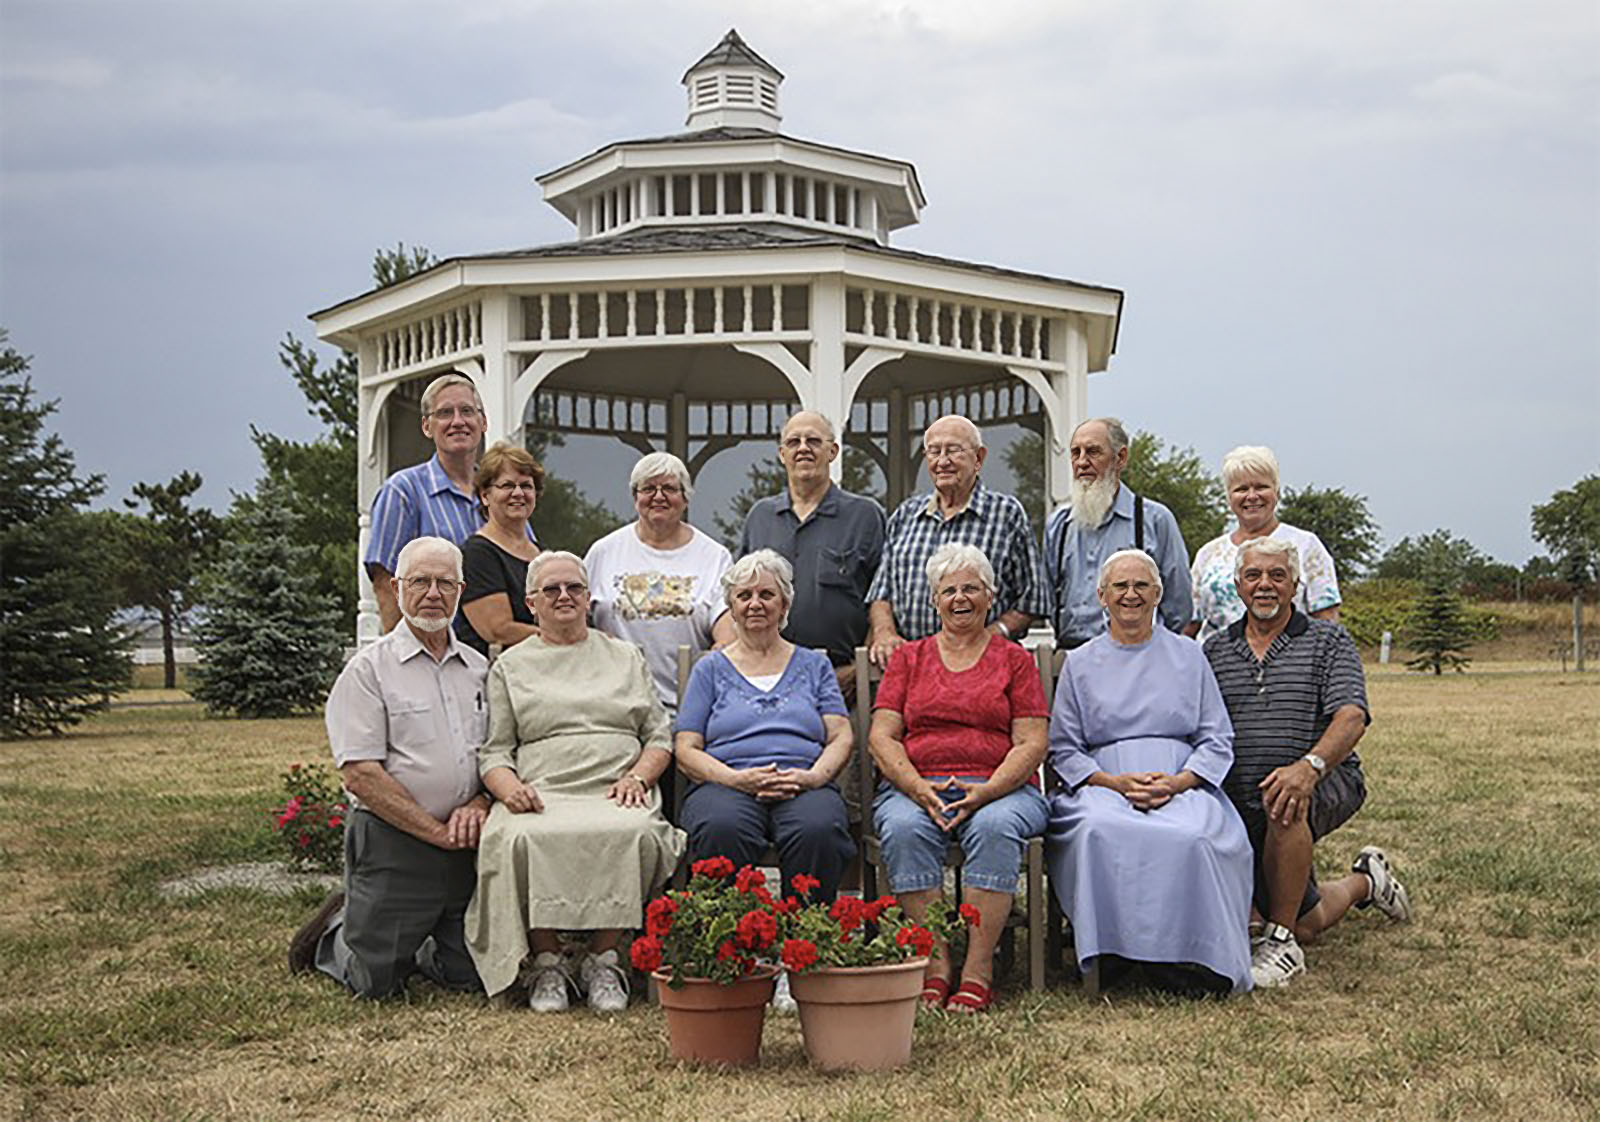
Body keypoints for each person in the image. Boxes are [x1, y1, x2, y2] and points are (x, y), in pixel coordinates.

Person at [465, 551, 685, 1011]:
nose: (564, 596)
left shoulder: (625, 656)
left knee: (637, 833)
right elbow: (496, 749)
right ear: (531, 603)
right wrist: (508, 789)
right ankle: (547, 962)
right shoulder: (511, 666)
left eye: (575, 588)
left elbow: (658, 736)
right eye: (552, 590)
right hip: (541, 792)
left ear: (589, 599)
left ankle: (603, 958)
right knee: (516, 838)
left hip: (615, 787)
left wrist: (639, 777)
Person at [1203, 537, 1411, 989]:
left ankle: (1280, 944)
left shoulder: (1329, 640)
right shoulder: (1215, 651)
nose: (1265, 586)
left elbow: (1352, 715)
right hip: (1240, 796)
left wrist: (1310, 767)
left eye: (1277, 576)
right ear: (1237, 585)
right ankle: (1366, 883)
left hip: (1323, 779)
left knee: (1285, 801)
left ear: (1295, 584)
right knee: (1310, 921)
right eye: (1254, 576)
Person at [287, 536, 490, 998]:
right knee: (374, 983)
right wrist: (434, 833)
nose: (433, 594)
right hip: (395, 838)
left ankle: (419, 935)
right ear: (397, 588)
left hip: (467, 843)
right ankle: (339, 927)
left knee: (471, 978)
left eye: (445, 583)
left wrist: (478, 803)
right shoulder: (368, 671)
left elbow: (496, 754)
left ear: (461, 590)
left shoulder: (479, 669)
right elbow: (360, 774)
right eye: (420, 582)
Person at [1045, 549, 1254, 994]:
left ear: (1158, 593)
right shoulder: (1080, 662)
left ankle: (1194, 958)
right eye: (1120, 586)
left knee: (1196, 835)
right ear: (1102, 596)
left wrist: (1180, 782)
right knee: (1096, 830)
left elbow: (1216, 738)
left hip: (1179, 782)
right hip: (1103, 784)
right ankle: (1112, 953)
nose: (1131, 595)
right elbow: (1064, 746)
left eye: (1141, 585)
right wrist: (1112, 782)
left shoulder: (1190, 655)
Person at [868, 543, 1050, 1012]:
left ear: (990, 597)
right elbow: (883, 737)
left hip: (1001, 789)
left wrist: (987, 791)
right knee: (905, 826)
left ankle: (978, 968)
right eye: (949, 590)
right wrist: (916, 788)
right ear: (934, 601)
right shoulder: (910, 658)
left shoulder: (1013, 660)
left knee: (993, 826)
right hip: (918, 785)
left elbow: (1031, 742)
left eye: (971, 588)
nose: (960, 598)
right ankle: (934, 964)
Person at [674, 550, 857, 904]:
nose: (755, 604)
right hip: (725, 784)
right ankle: (732, 945)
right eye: (744, 596)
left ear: (785, 604)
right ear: (731, 606)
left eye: (766, 594)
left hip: (802, 782)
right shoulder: (709, 670)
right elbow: (686, 748)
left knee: (819, 830)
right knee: (720, 828)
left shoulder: (814, 666)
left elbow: (840, 735)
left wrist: (814, 778)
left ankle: (805, 944)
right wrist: (734, 779)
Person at [866, 415, 1046, 668]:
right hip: (911, 668)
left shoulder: (1006, 514)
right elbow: (881, 593)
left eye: (953, 450)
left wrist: (989, 638)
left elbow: (1033, 600)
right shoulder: (905, 515)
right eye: (933, 451)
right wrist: (885, 633)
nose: (942, 461)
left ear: (979, 458)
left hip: (982, 667)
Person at [738, 410, 885, 703]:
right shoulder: (760, 517)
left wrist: (859, 670)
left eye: (813, 441)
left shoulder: (865, 515)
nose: (803, 447)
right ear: (782, 454)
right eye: (794, 442)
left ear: (833, 451)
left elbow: (882, 600)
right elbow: (738, 599)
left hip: (844, 683)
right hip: (766, 682)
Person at [584, 451, 734, 712]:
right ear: (635, 497)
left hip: (690, 706)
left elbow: (728, 635)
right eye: (648, 488)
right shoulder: (603, 552)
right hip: (615, 706)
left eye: (669, 489)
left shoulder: (714, 556)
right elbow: (575, 620)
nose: (659, 496)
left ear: (685, 498)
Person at [1043, 417, 1192, 649]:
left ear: (1120, 458)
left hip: (1138, 655)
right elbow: (1049, 596)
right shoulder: (1059, 525)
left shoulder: (1155, 520)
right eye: (1075, 453)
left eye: (1093, 452)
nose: (1082, 462)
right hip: (1071, 657)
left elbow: (1178, 604)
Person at [365, 373, 490, 633]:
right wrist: (408, 656)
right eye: (445, 413)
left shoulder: (499, 494)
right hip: (434, 651)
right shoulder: (404, 491)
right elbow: (385, 582)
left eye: (467, 411)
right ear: (426, 426)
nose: (458, 421)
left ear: (483, 422)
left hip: (494, 652)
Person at [1188, 445, 1342, 642]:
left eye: (1261, 487)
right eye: (1241, 489)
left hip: (1290, 666)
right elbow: (1190, 623)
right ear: (1229, 497)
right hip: (1217, 667)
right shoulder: (1208, 554)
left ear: (1276, 491)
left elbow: (1327, 622)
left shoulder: (1307, 546)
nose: (1252, 496)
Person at [456, 442, 543, 656]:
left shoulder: (541, 555)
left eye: (526, 486)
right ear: (485, 496)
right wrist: (564, 637)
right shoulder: (477, 554)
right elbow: (497, 630)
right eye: (507, 486)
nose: (518, 493)